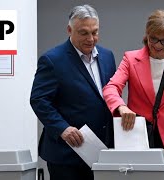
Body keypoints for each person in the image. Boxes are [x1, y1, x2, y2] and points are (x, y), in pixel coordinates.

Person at [103, 9, 164, 180]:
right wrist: (121, 107)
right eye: (153, 39)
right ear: (147, 34)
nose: (158, 45)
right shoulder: (130, 59)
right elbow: (111, 88)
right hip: (138, 137)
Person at [30, 4, 116, 180]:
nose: (91, 39)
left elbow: (109, 94)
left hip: (101, 151)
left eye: (95, 32)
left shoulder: (108, 57)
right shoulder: (52, 60)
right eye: (84, 33)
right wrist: (63, 128)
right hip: (66, 153)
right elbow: (39, 100)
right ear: (70, 30)